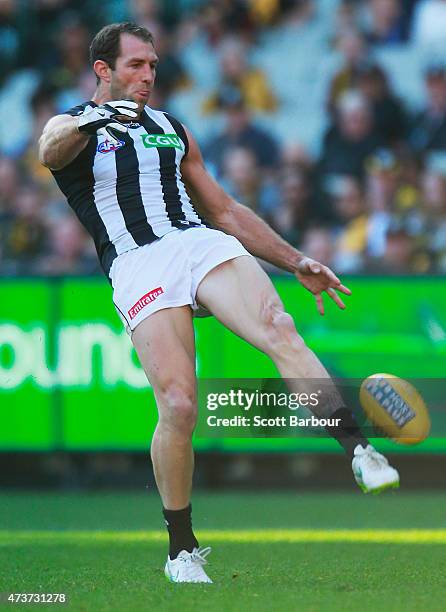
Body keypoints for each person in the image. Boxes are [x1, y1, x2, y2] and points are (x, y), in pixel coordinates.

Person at [38, 22, 399, 584]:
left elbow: (225, 212)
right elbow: (48, 149)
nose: (148, 75)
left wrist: (294, 258)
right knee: (180, 406)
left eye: (153, 65)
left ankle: (359, 450)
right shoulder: (75, 126)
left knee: (279, 326)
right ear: (103, 70)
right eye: (136, 65)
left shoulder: (171, 127)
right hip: (138, 261)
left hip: (198, 242)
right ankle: (181, 547)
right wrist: (95, 115)